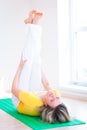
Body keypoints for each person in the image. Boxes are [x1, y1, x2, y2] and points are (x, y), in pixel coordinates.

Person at [11, 10, 71, 124]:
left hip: (19, 100)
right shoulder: (55, 95)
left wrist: (19, 67)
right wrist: (37, 65)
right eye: (57, 98)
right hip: (34, 92)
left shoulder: (33, 101)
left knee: (27, 62)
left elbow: (14, 90)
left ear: (45, 105)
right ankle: (30, 23)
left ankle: (33, 24)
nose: (54, 95)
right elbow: (46, 83)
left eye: (52, 99)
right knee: (36, 60)